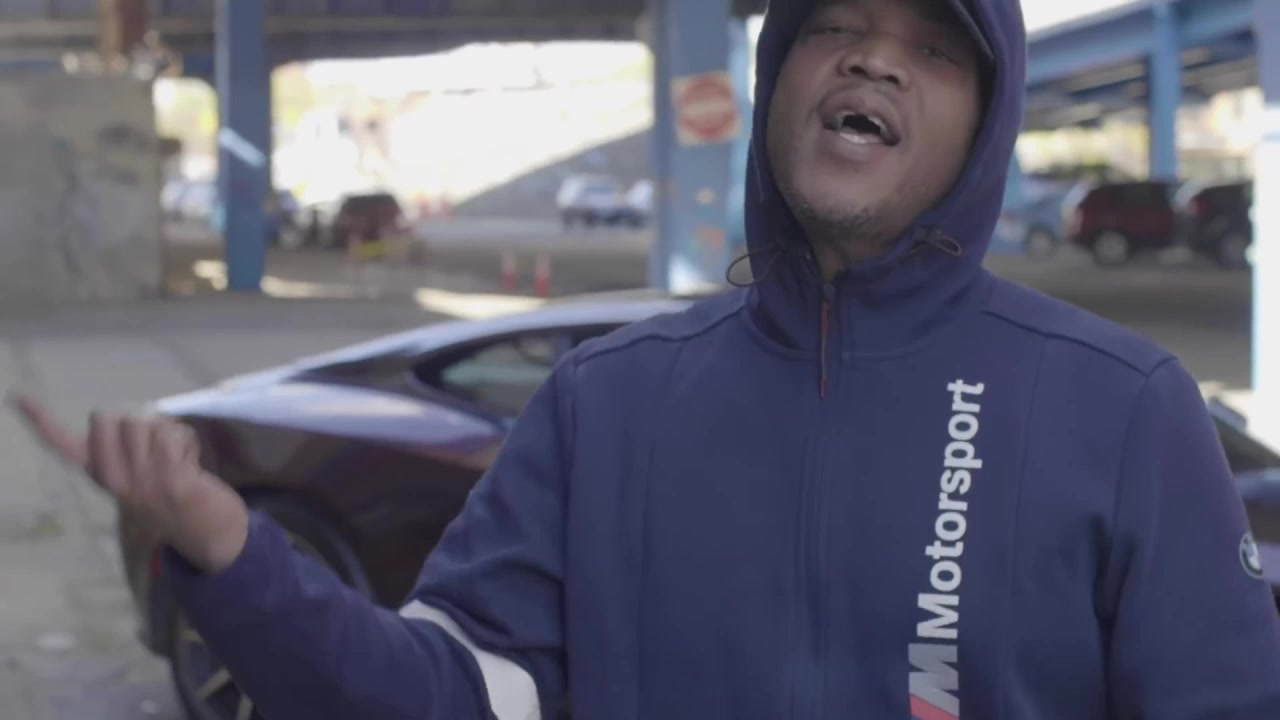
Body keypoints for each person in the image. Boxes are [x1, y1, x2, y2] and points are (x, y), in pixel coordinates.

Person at [12, 0, 1280, 717]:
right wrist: (232, 559)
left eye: (934, 47)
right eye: (834, 23)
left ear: (983, 125)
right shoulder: (604, 402)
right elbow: (447, 698)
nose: (872, 55)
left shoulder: (1124, 411)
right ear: (776, 79)